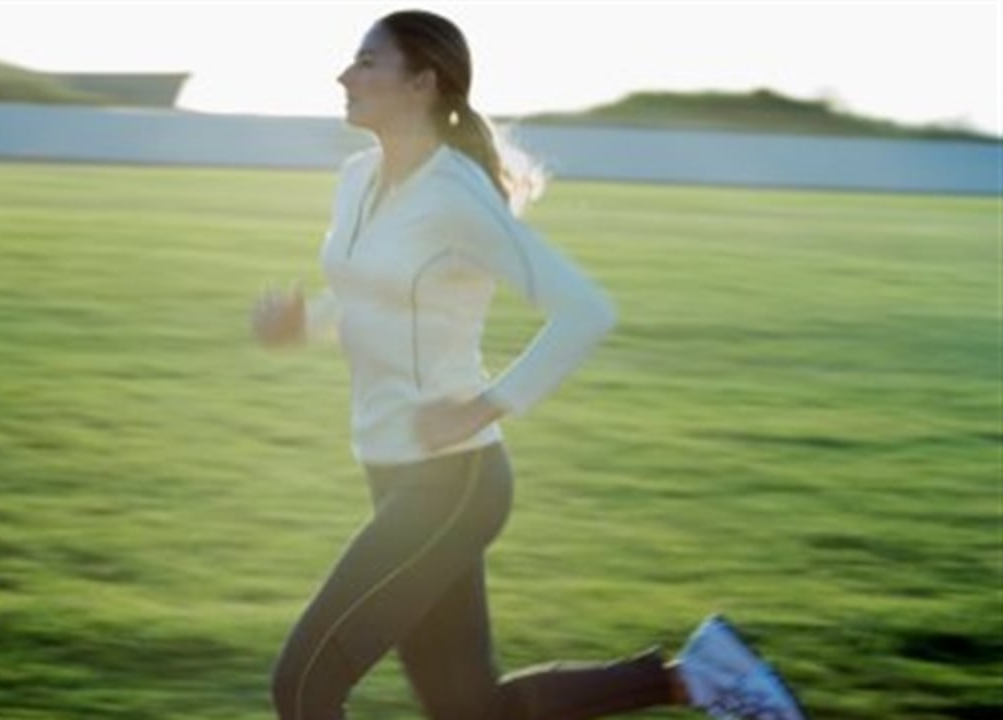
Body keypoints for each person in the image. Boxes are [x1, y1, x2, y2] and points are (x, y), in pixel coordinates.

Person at [250, 9, 808, 720]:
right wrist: (306, 322)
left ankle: (695, 678)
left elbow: (586, 310)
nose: (344, 75)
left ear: (421, 82)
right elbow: (374, 295)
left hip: (452, 482)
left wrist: (485, 403)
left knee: (302, 686)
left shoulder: (456, 194)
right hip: (389, 469)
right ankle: (689, 678)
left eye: (366, 61)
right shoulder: (358, 178)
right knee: (468, 710)